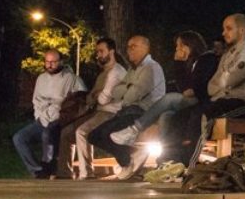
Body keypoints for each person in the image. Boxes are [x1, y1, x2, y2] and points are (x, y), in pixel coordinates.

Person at [168, 13, 245, 167]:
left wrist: (224, 82)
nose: (224, 33)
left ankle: (186, 165)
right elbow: (212, 86)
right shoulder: (228, 54)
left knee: (202, 116)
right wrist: (224, 83)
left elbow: (232, 79)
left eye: (229, 29)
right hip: (225, 100)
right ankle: (171, 161)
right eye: (224, 29)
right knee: (179, 116)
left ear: (242, 30)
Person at [108, 31, 212, 145]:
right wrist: (179, 64)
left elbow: (189, 91)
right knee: (165, 116)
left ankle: (134, 130)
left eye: (179, 45)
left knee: (170, 98)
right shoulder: (190, 64)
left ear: (190, 45)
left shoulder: (205, 59)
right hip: (190, 101)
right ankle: (167, 156)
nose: (177, 49)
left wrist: (179, 64)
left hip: (202, 101)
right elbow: (185, 89)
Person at [87, 35, 167, 180]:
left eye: (133, 46)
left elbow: (131, 96)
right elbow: (116, 93)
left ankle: (126, 163)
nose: (129, 50)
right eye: (128, 46)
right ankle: (130, 155)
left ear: (145, 48)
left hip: (142, 112)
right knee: (93, 136)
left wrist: (127, 88)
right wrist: (129, 87)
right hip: (126, 111)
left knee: (107, 134)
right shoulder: (132, 70)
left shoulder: (151, 68)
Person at [54, 37, 127, 179]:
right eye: (97, 51)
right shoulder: (103, 74)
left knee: (82, 131)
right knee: (66, 132)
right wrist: (95, 95)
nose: (98, 55)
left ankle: (87, 173)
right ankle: (64, 174)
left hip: (110, 112)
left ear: (111, 52)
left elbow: (103, 99)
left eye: (101, 51)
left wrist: (96, 95)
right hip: (97, 111)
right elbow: (92, 96)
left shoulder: (116, 72)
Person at [13, 49, 84, 178]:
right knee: (19, 138)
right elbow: (36, 100)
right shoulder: (41, 79)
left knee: (48, 134)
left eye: (53, 62)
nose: (50, 65)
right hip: (42, 118)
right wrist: (39, 116)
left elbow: (81, 97)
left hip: (59, 118)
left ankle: (49, 167)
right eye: (47, 62)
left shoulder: (71, 78)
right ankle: (37, 170)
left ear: (60, 62)